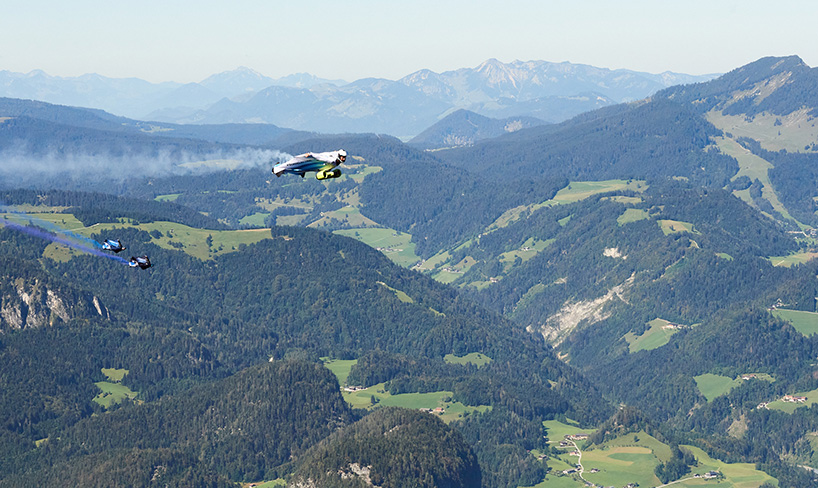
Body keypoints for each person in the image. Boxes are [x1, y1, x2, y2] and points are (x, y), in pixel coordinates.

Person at [272, 149, 347, 180]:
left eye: (344, 157)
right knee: (295, 165)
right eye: (342, 157)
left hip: (319, 166)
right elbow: (320, 157)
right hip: (315, 163)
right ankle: (278, 169)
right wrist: (311, 154)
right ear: (339, 156)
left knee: (300, 169)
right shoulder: (331, 160)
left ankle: (281, 170)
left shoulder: (336, 155)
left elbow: (336, 151)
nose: (343, 159)